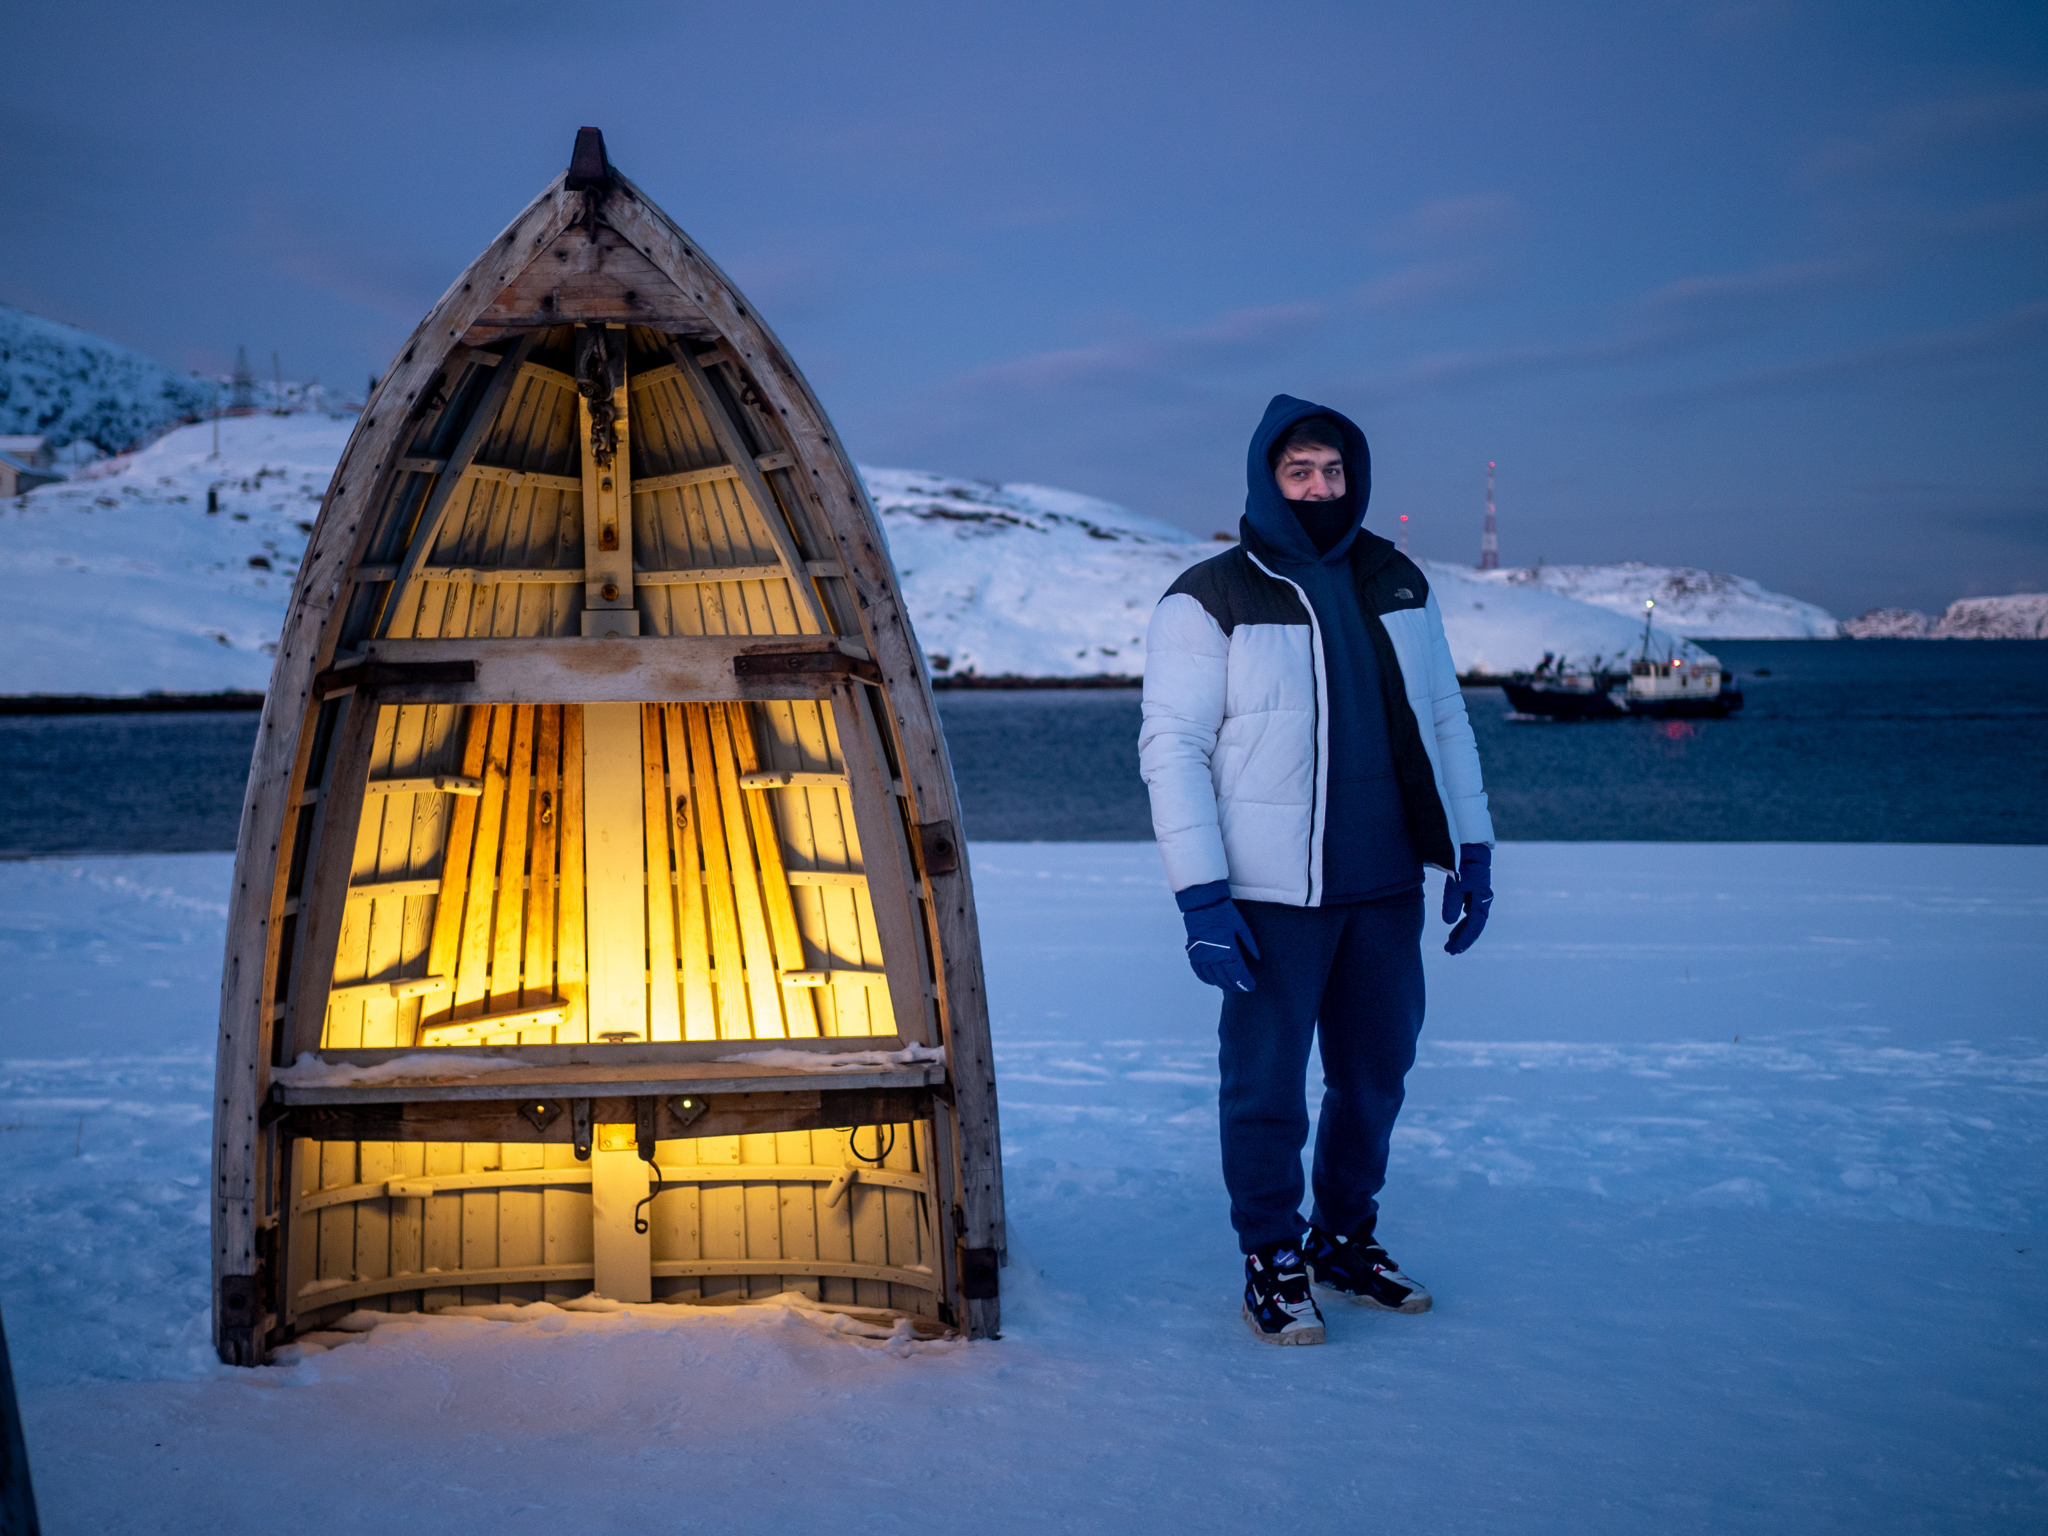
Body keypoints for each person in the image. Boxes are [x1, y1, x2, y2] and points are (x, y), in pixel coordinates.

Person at [1138, 395, 1495, 1346]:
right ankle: (1271, 1254)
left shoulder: (1396, 579)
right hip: (1269, 898)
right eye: (1301, 471)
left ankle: (1343, 1239)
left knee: (1376, 1076)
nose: (1320, 487)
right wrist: (1202, 896)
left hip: (1384, 886)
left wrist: (1473, 845)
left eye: (1334, 471)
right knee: (1266, 1086)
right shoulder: (1211, 594)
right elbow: (1171, 748)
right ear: (1267, 477)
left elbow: (1444, 719)